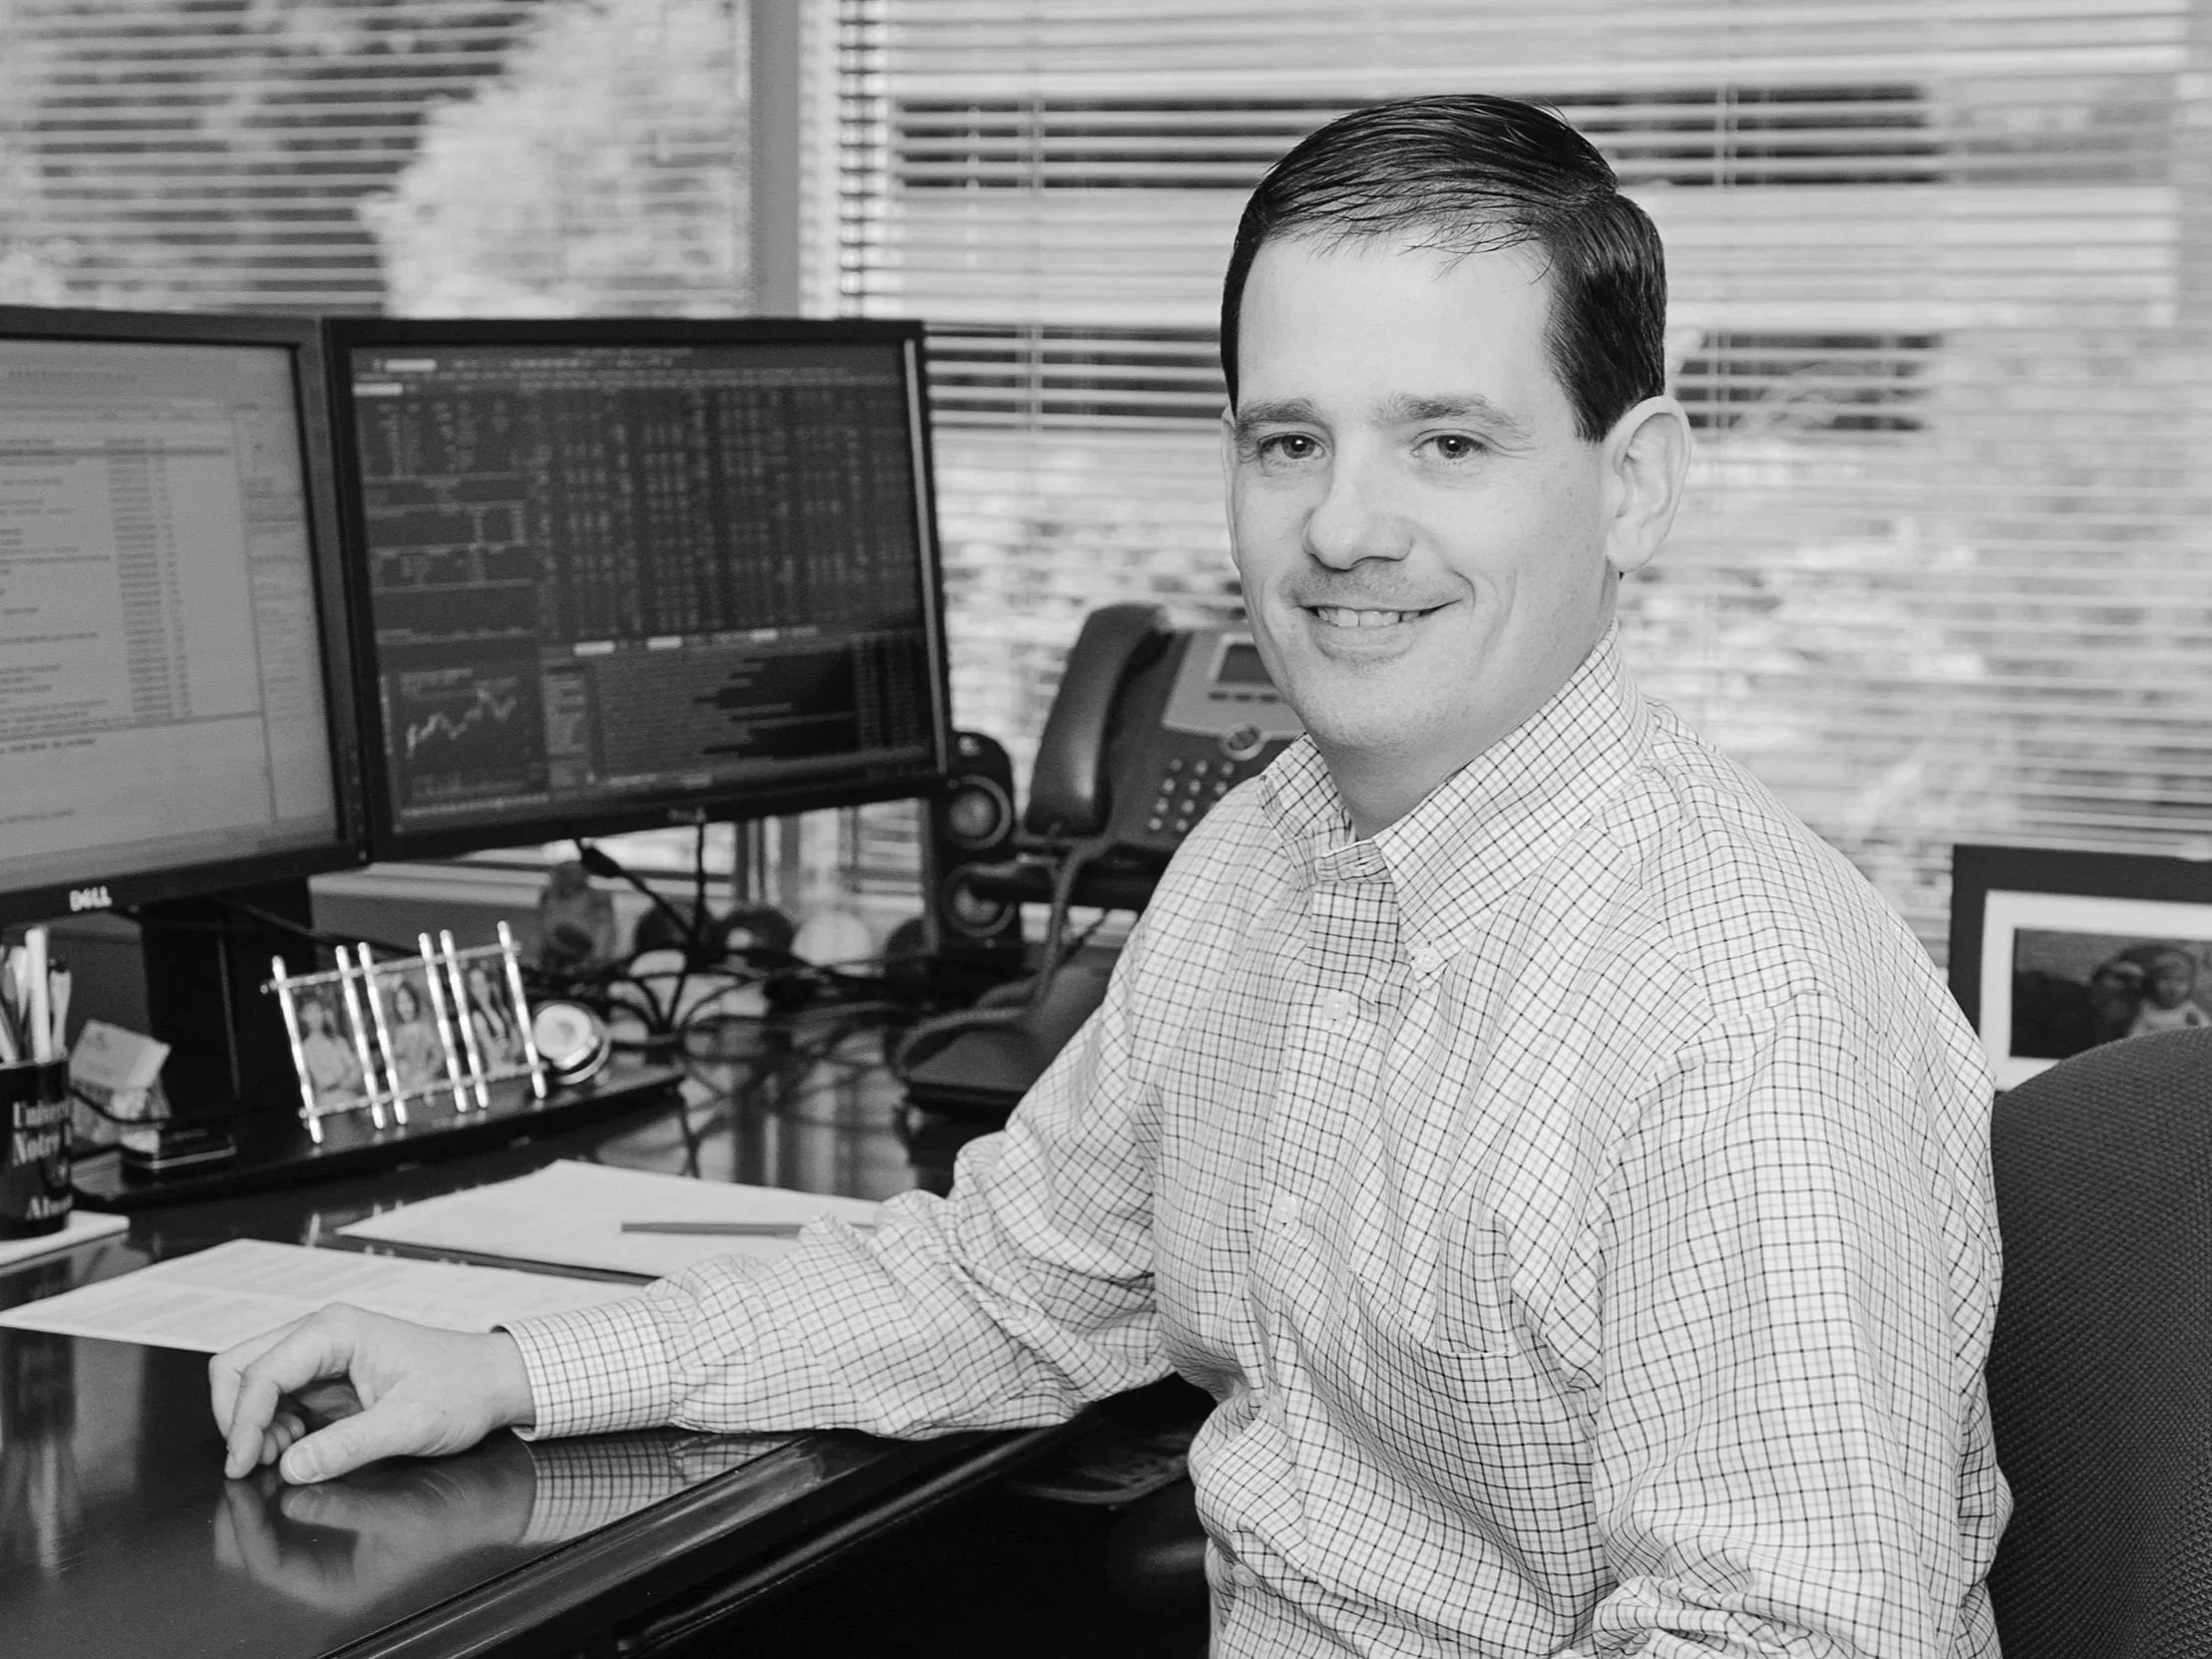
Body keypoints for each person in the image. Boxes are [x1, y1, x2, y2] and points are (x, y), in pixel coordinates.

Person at [210, 95, 2004, 1656]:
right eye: (1285, 437)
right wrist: (515, 1364)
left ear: (1632, 486)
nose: (1340, 524)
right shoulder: (1267, 854)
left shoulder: (1738, 1010)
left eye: (1444, 440)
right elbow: (1003, 1281)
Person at [2126, 942, 2211, 1035]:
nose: (2172, 986)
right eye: (2166, 978)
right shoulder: (2146, 1009)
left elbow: (2206, 1035)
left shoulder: (2189, 1011)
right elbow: (2134, 1038)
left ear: (2190, 985)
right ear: (2153, 981)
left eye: (2180, 980)